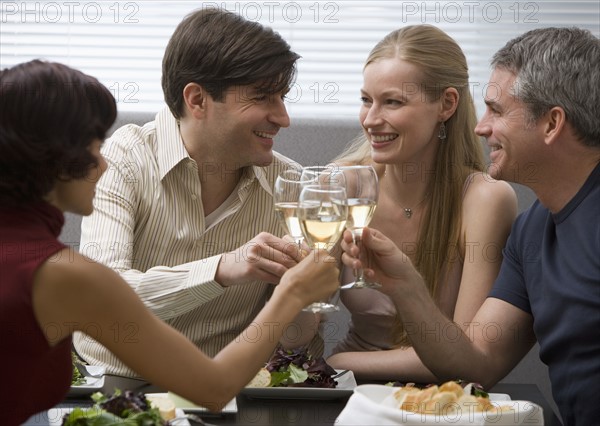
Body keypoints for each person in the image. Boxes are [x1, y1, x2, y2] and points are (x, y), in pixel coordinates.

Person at [0, 59, 339, 426]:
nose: (103, 166)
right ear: (53, 159)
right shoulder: (67, 275)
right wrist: (292, 294)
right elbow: (213, 388)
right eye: (94, 149)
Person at [339, 27, 600, 425]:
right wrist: (408, 287)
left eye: (496, 110)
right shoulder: (532, 232)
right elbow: (476, 365)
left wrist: (336, 361)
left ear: (552, 124)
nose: (481, 126)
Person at [73, 8, 323, 377]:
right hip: (113, 385)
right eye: (263, 97)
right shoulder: (124, 159)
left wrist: (307, 291)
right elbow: (101, 296)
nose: (283, 117)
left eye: (283, 97)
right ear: (197, 99)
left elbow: (293, 342)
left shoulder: (289, 184)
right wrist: (223, 268)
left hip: (227, 390)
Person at [326, 25, 517, 383]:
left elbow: (464, 357)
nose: (370, 119)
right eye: (366, 99)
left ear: (446, 104)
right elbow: (297, 337)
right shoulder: (343, 184)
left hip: (442, 402)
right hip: (351, 398)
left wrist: (340, 361)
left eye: (392, 102)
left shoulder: (484, 199)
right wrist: (295, 288)